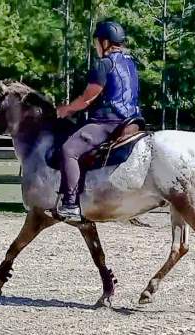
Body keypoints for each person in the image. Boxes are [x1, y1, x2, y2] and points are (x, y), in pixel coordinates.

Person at [54, 20, 141, 221]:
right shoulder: (131, 63)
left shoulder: (104, 64)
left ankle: (70, 204)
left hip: (108, 122)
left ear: (104, 42)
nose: (96, 47)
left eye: (96, 42)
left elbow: (88, 98)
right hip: (133, 120)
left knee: (69, 150)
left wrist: (66, 109)